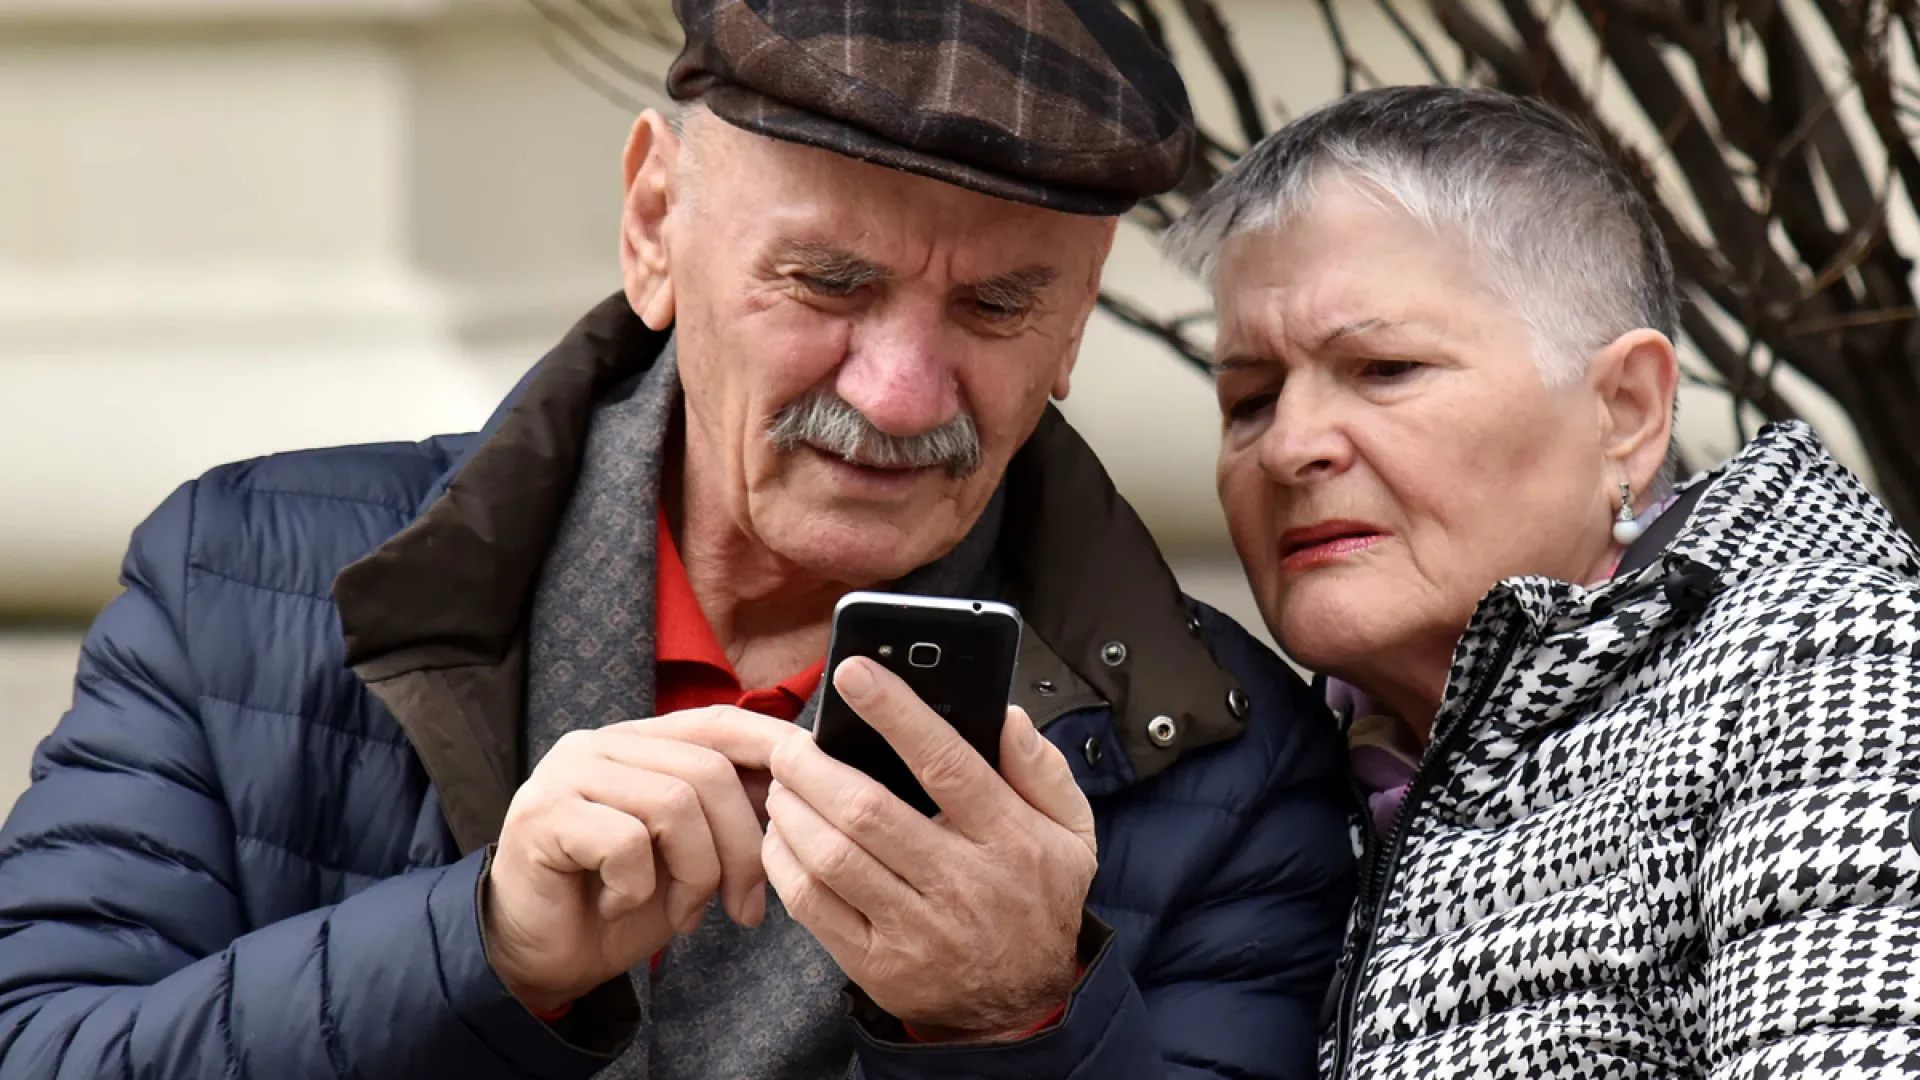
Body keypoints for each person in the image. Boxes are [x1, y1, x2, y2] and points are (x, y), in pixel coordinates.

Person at [0, 3, 1356, 1079]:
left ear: (1076, 329)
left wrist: (1018, 1025)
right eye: (830, 281)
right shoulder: (242, 577)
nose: (898, 391)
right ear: (654, 223)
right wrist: (485, 948)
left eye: (999, 307)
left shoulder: (1234, 768)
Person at [1168, 84, 1920, 1077]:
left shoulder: (1830, 667)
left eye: (1385, 368)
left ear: (1625, 412)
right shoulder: (1247, 772)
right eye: (1250, 400)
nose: (1292, 447)